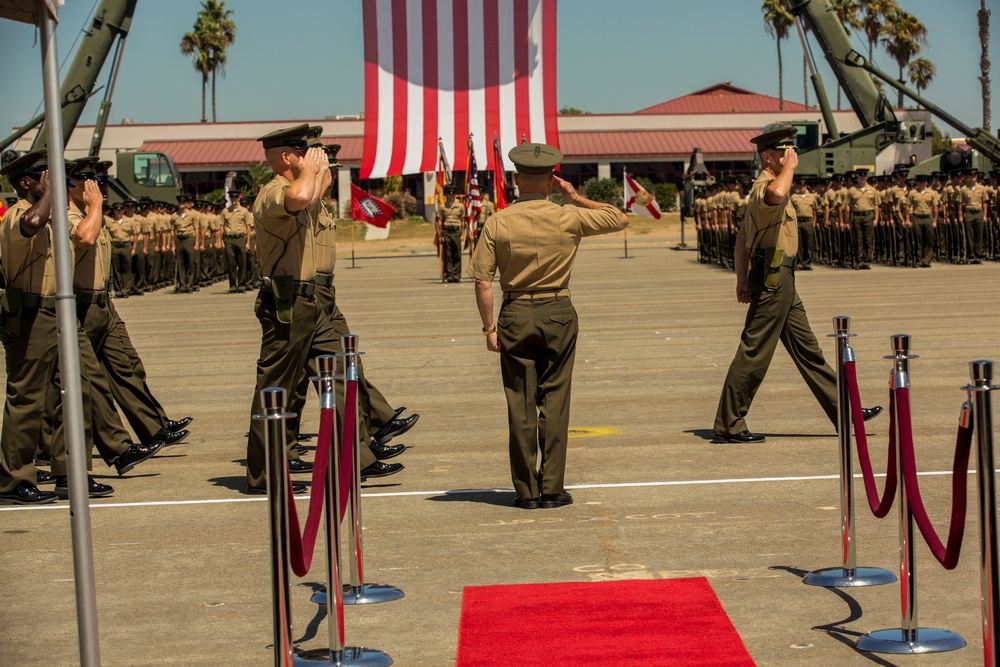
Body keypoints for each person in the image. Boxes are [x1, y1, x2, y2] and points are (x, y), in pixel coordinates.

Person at [245, 124, 415, 495]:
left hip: (314, 302)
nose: (315, 157)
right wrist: (309, 170)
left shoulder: (304, 189)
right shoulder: (274, 192)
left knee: (341, 376)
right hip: (285, 303)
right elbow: (301, 194)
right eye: (305, 152)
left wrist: (318, 170)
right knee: (276, 388)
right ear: (287, 157)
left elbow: (314, 194)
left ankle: (355, 460)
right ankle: (263, 475)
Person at [470, 143, 628, 510]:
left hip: (514, 312)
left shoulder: (497, 221)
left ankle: (526, 492)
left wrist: (488, 329)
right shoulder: (568, 216)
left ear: (515, 180)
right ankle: (553, 487)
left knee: (520, 404)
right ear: (551, 181)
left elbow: (482, 281)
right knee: (555, 399)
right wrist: (574, 196)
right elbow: (618, 218)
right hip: (557, 309)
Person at [711, 127, 882, 444]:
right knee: (755, 350)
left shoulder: (767, 187)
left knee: (808, 351)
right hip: (773, 274)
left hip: (780, 275)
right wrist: (789, 168)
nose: (790, 155)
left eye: (791, 150)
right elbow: (775, 196)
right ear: (767, 156)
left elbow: (742, 238)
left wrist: (740, 280)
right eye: (782, 151)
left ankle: (847, 412)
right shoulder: (766, 186)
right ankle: (728, 424)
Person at [221, 189, 251, 293]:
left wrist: (247, 242)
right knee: (231, 263)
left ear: (239, 198)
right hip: (229, 238)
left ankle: (242, 284)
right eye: (232, 197)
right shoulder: (225, 211)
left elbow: (248, 227)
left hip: (240, 238)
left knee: (242, 262)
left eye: (235, 197)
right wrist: (222, 240)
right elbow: (222, 226)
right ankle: (233, 285)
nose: (234, 199)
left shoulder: (244, 211)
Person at [436, 184, 465, 282]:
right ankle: (449, 274)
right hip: (446, 231)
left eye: (453, 193)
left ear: (455, 195)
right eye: (449, 193)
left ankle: (456, 274)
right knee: (447, 254)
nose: (451, 195)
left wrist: (463, 234)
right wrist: (440, 235)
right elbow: (439, 221)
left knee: (457, 252)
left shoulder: (460, 206)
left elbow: (462, 221)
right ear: (446, 195)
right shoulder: (442, 207)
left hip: (456, 231)